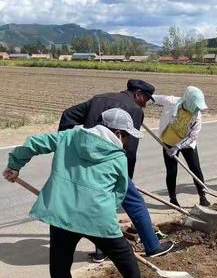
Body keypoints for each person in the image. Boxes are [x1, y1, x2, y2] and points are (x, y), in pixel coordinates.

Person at [3, 109, 159, 278]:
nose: (128, 141)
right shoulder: (118, 157)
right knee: (122, 252)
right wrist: (107, 208)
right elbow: (120, 190)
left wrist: (15, 165)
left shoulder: (69, 137)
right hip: (97, 215)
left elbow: (33, 143)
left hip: (63, 213)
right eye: (127, 136)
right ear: (117, 132)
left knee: (60, 259)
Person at [59, 79, 173, 261]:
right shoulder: (134, 110)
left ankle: (100, 252)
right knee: (135, 203)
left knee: (100, 204)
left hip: (87, 162)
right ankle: (153, 246)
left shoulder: (99, 99)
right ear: (138, 94)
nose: (145, 105)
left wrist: (67, 148)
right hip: (110, 163)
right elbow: (130, 149)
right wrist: (126, 178)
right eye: (146, 100)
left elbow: (67, 116)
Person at [150, 86, 210, 208]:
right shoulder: (171, 102)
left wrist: (178, 147)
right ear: (188, 100)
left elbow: (193, 135)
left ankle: (203, 197)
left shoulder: (196, 115)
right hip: (168, 142)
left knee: (195, 169)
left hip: (187, 143)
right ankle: (173, 200)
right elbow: (153, 98)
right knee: (171, 171)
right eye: (196, 105)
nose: (197, 108)